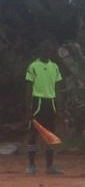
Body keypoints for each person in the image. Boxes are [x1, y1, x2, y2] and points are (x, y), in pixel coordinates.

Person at [25, 45, 64, 175]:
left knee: (50, 135)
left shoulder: (55, 67)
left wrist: (59, 108)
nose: (46, 52)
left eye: (48, 50)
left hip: (51, 102)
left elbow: (57, 87)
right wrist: (28, 108)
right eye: (44, 50)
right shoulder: (33, 66)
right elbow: (29, 86)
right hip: (38, 102)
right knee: (33, 133)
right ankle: (31, 165)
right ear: (40, 51)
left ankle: (50, 166)